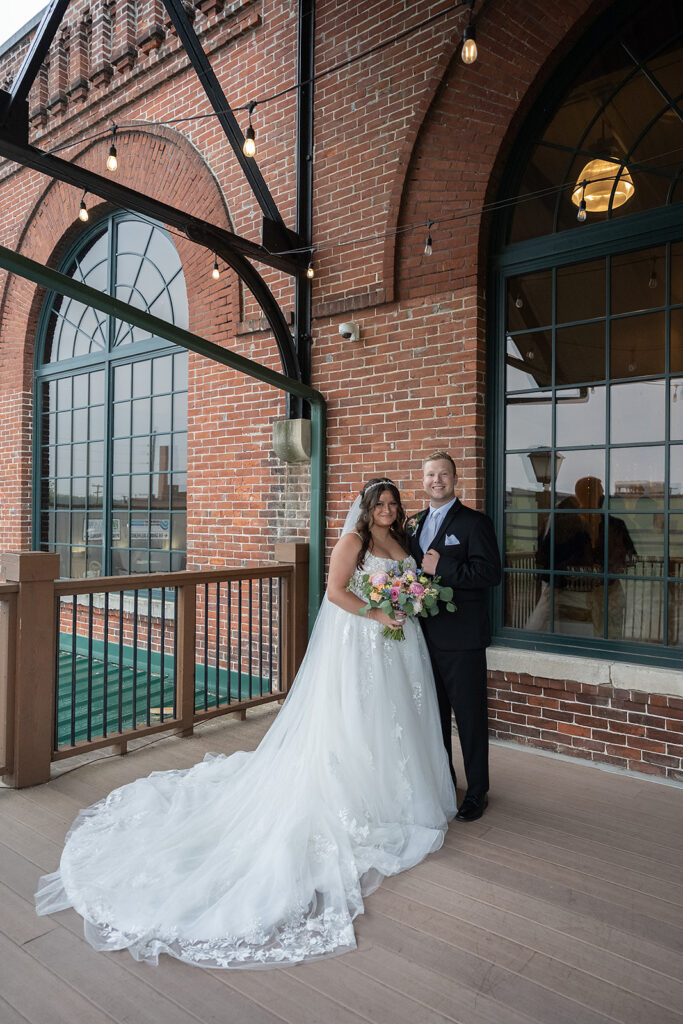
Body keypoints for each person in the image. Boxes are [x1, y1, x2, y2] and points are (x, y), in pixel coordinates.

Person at [35, 478, 456, 969]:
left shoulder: (402, 540)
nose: (387, 509)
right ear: (366, 508)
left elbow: (412, 584)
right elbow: (335, 592)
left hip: (399, 647)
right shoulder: (353, 542)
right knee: (358, 722)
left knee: (397, 722)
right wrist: (378, 613)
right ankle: (360, 794)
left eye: (392, 503)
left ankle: (397, 790)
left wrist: (413, 593)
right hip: (363, 643)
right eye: (379, 503)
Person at [408, 452, 501, 823]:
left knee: (470, 719)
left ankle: (477, 791)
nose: (436, 480)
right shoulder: (413, 523)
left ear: (455, 478)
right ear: (423, 479)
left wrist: (441, 566)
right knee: (433, 718)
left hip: (462, 639)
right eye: (430, 474)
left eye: (443, 474)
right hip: (421, 638)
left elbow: (489, 573)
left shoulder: (475, 522)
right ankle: (445, 781)